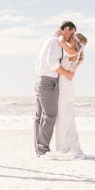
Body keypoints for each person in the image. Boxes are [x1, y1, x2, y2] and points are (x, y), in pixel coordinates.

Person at [34, 21, 76, 156]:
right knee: (50, 116)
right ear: (66, 29)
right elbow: (53, 65)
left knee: (39, 116)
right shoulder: (54, 42)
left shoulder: (47, 39)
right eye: (72, 33)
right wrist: (68, 74)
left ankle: (39, 149)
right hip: (48, 82)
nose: (71, 37)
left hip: (40, 80)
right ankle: (43, 149)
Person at [53, 32, 88, 160]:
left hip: (65, 88)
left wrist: (55, 67)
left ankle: (65, 147)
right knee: (64, 116)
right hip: (65, 87)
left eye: (71, 38)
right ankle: (63, 145)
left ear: (74, 41)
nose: (69, 39)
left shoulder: (73, 54)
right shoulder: (74, 54)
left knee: (64, 116)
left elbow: (70, 75)